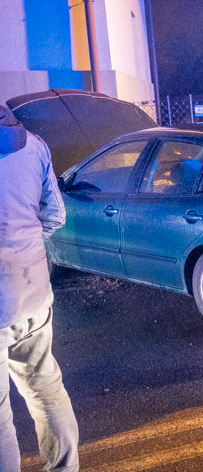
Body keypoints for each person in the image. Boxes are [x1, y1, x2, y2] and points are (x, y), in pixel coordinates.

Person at [0, 106, 79, 471]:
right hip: (33, 293)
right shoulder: (34, 146)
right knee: (45, 386)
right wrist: (24, 247)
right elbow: (54, 216)